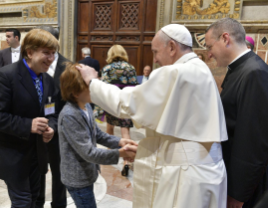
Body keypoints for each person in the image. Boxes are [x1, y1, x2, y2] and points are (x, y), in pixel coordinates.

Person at [77, 24, 228, 208]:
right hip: (205, 169)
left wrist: (92, 82)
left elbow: (126, 103)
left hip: (185, 175)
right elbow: (180, 127)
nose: (155, 59)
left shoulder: (176, 71)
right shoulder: (200, 69)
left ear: (172, 47)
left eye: (156, 52)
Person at [0, 28, 60, 207]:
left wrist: (52, 128)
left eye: (53, 53)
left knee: (37, 200)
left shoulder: (48, 80)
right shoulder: (6, 76)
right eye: (46, 53)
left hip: (37, 153)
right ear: (30, 52)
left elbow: (52, 113)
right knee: (23, 202)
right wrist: (28, 125)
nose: (51, 58)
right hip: (13, 154)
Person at [205, 18, 268, 208]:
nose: (208, 54)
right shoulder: (239, 69)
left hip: (245, 188)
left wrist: (238, 194)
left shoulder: (254, 72)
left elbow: (253, 141)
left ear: (225, 38)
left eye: (209, 46)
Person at [58, 62, 137, 208]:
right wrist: (120, 153)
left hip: (86, 174)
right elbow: (89, 153)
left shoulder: (86, 105)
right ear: (75, 92)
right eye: (89, 86)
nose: (94, 89)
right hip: (77, 179)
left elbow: (98, 134)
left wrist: (120, 141)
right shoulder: (70, 115)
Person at [34, 25, 70, 208]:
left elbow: (72, 102)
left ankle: (59, 205)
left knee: (58, 173)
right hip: (35, 129)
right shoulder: (31, 66)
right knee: (38, 171)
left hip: (59, 131)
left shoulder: (69, 67)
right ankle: (38, 201)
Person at [100, 44, 137, 176]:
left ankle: (111, 155)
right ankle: (127, 162)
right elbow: (134, 86)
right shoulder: (130, 68)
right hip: (125, 102)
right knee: (125, 132)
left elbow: (103, 87)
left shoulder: (107, 68)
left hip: (112, 102)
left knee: (109, 129)